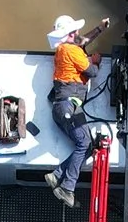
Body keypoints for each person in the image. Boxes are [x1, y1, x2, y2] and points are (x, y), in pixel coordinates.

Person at [45, 13, 111, 205]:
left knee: (87, 145)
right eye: (74, 31)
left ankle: (57, 175)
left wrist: (100, 28)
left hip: (63, 107)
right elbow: (92, 72)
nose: (77, 33)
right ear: (68, 34)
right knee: (84, 143)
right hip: (69, 106)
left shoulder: (63, 48)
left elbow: (83, 40)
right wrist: (96, 61)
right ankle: (67, 188)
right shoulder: (71, 51)